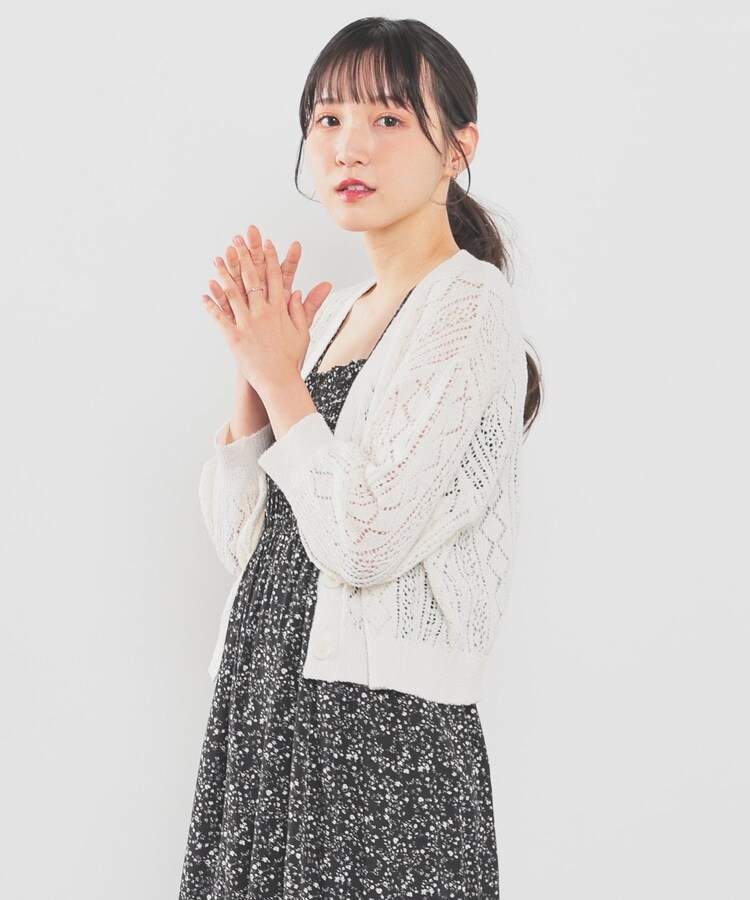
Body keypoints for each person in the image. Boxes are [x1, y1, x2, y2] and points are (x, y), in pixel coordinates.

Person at [179, 15, 542, 900]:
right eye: (328, 119)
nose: (350, 146)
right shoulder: (337, 312)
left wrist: (281, 374)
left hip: (376, 738)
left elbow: (365, 544)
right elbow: (252, 547)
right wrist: (255, 371)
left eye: (387, 119)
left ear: (458, 148)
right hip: (265, 706)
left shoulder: (468, 304)